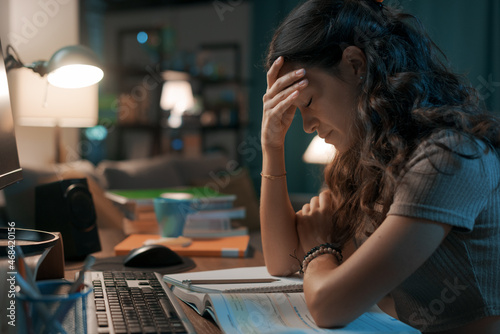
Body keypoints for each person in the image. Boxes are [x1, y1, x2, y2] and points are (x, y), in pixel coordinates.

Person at [259, 0, 500, 333]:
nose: (306, 126)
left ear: (355, 65)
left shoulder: (448, 157)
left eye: (309, 102)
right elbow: (282, 260)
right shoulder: (369, 155)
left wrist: (318, 249)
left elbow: (330, 307)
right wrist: (272, 146)